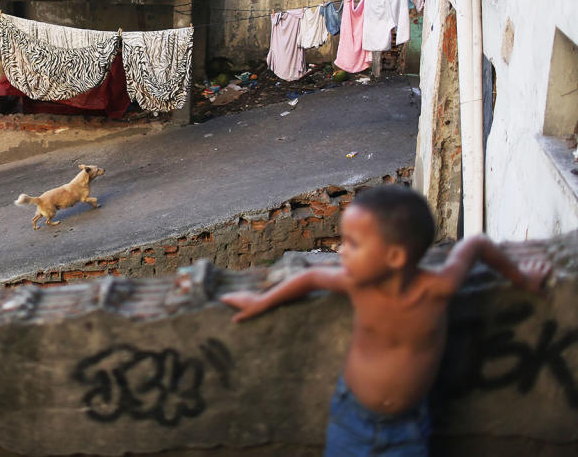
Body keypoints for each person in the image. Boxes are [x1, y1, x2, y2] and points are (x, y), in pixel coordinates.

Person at [221, 185, 550, 456]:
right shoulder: (357, 285)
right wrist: (260, 301)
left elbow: (477, 243)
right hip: (351, 416)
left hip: (408, 426)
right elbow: (310, 280)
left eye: (353, 243)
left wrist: (522, 279)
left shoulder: (439, 287)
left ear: (395, 256)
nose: (341, 251)